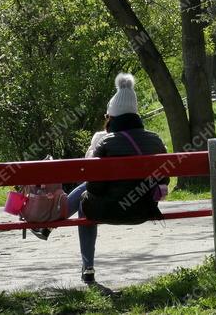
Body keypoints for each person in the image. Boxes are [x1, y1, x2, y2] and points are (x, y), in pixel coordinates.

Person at [65, 73, 169, 284]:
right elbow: (164, 181)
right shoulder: (156, 140)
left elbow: (94, 188)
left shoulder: (106, 142)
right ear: (135, 115)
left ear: (112, 117)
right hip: (143, 209)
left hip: (110, 211)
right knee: (87, 191)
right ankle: (51, 222)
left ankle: (87, 266)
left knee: (85, 198)